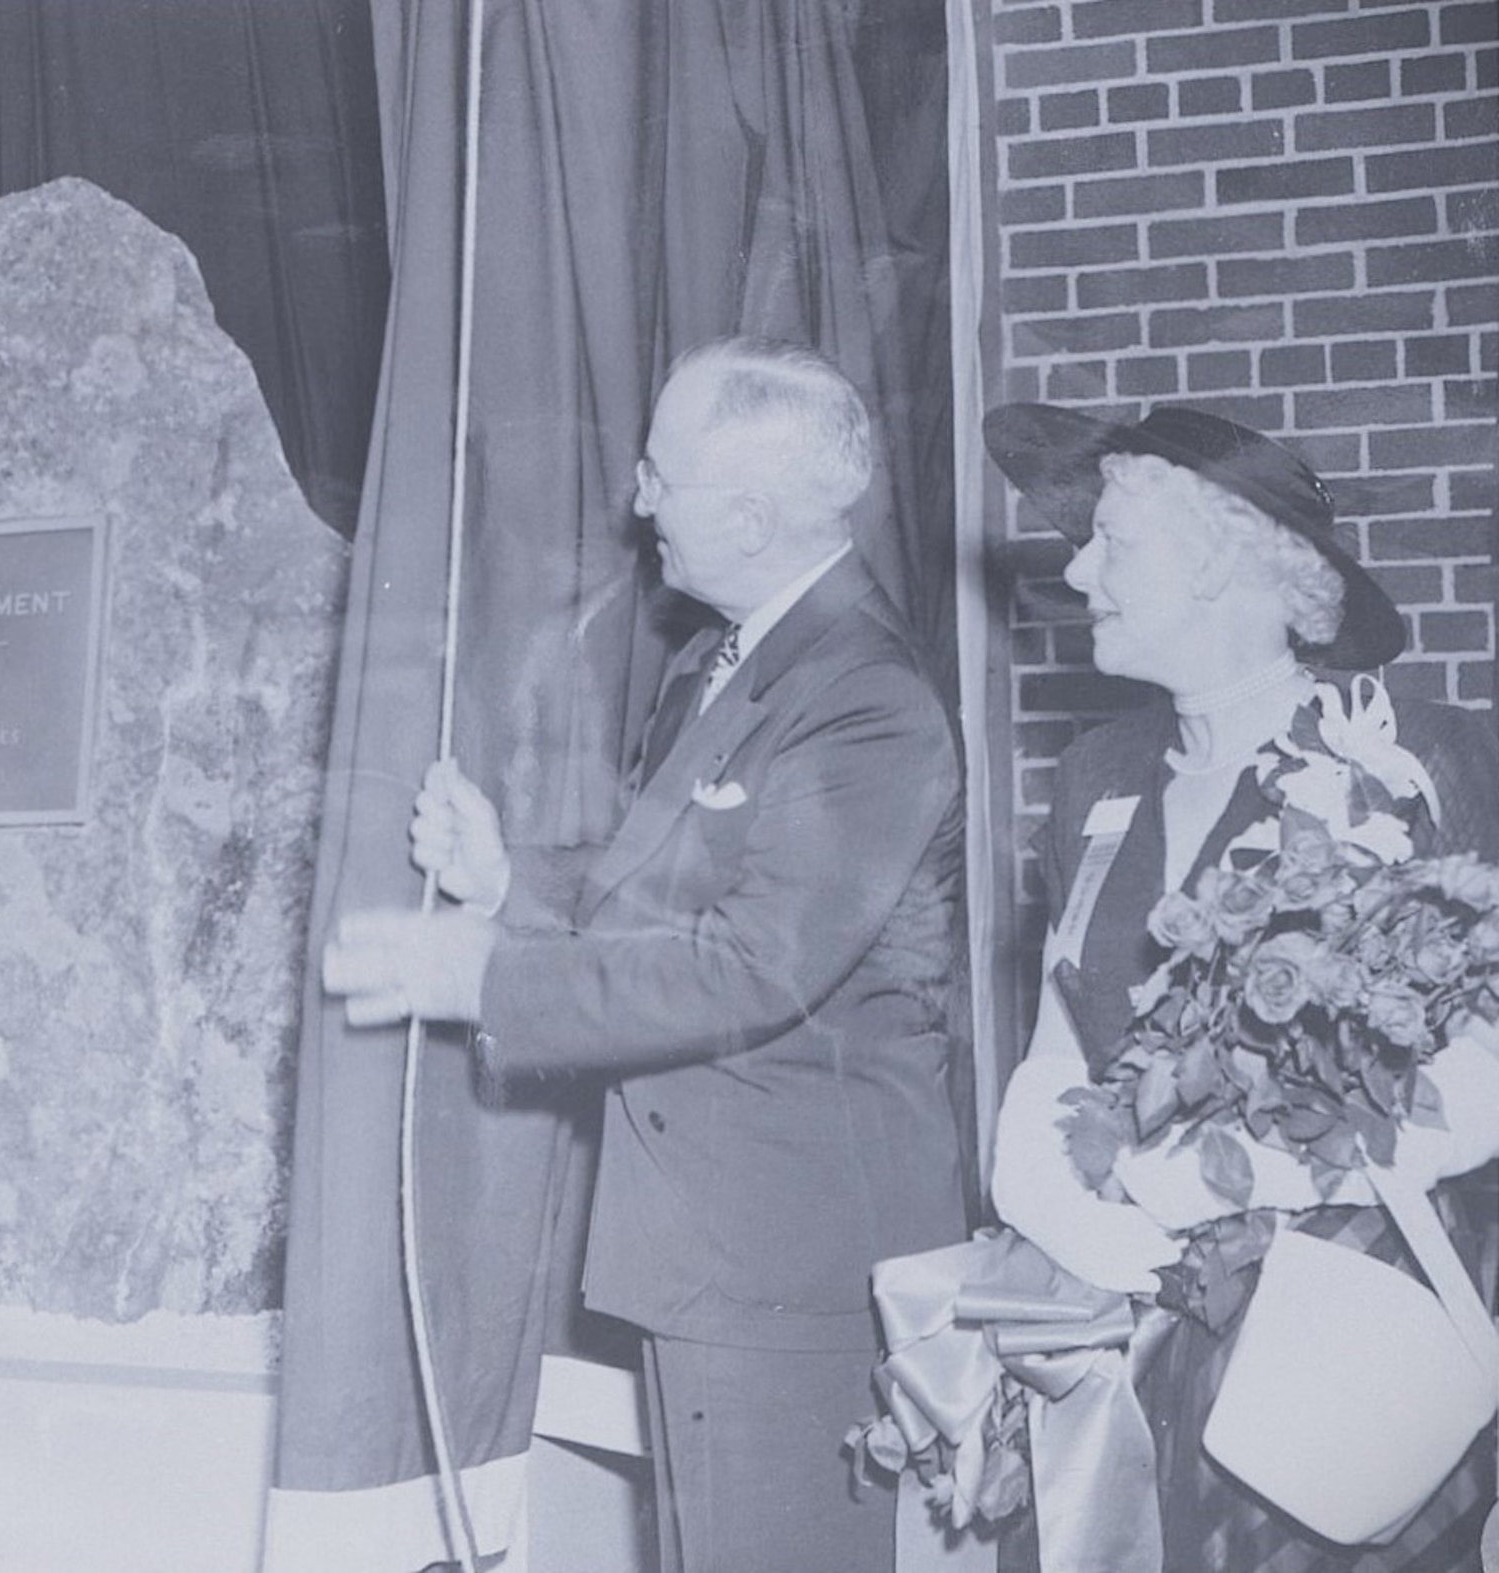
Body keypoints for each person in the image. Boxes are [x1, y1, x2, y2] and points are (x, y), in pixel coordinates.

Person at [323, 336, 969, 1573]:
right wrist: (508, 879)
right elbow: (670, 887)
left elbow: (750, 966)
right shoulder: (724, 662)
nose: (636, 498)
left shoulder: (863, 700)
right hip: (708, 1248)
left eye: (660, 474)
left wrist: (481, 975)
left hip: (787, 1260)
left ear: (749, 515)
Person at [984, 401, 1499, 1572]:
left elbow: (1484, 1065)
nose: (1077, 570)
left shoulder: (1410, 752)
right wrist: (1047, 1186)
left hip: (1348, 1350)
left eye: (1111, 541)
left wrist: (1241, 1175)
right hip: (1136, 1328)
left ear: (1224, 561)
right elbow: (1062, 1036)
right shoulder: (1097, 775)